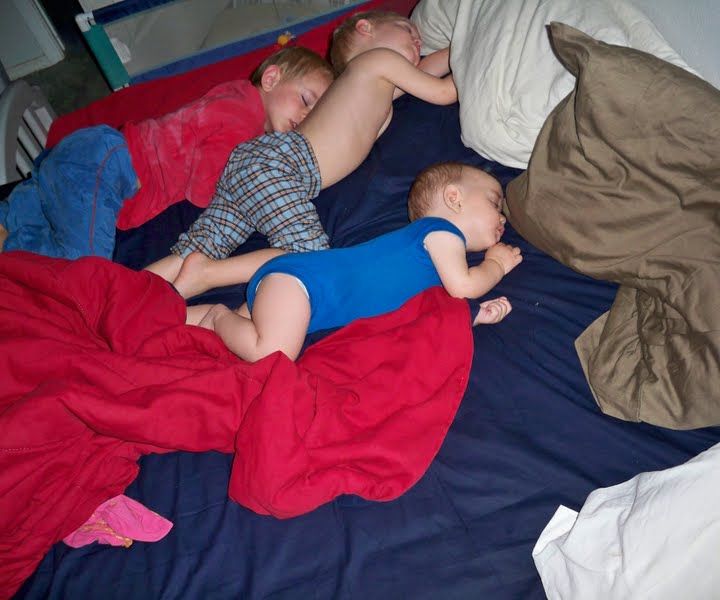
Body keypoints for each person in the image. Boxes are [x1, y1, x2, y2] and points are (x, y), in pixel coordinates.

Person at [145, 9, 457, 287]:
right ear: (365, 28)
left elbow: (424, 73)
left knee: (201, 244)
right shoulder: (378, 61)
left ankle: (133, 292)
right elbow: (443, 91)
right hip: (280, 166)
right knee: (310, 256)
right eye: (408, 29)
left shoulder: (367, 87)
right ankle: (209, 274)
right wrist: (475, 54)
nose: (418, 40)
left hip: (257, 162)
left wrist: (457, 49)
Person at [0, 46, 334, 259]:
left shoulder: (236, 96)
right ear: (271, 78)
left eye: (316, 113)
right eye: (306, 100)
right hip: (107, 164)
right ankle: (16, 249)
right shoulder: (242, 119)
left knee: (39, 206)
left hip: (91, 156)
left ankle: (9, 222)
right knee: (86, 267)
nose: (307, 115)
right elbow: (208, 188)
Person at [186, 162, 523, 362]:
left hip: (297, 297)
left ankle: (185, 317)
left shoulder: (434, 266)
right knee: (273, 354)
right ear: (454, 198)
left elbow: (428, 314)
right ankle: (217, 315)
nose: (502, 217)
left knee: (218, 341)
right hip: (302, 285)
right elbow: (463, 286)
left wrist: (471, 316)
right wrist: (496, 265)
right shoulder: (440, 232)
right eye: (495, 203)